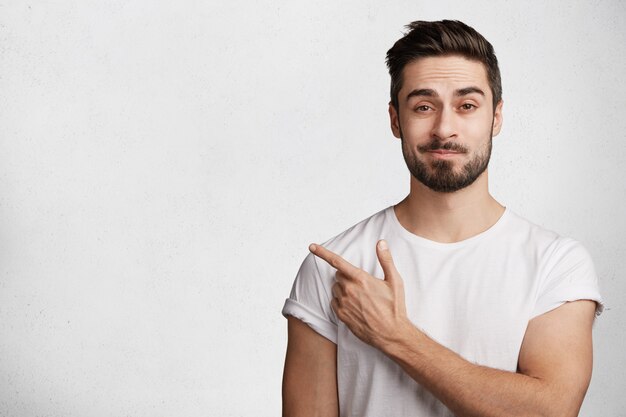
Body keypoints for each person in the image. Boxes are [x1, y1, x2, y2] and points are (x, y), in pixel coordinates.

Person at [281, 20, 603, 417]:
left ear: (496, 117)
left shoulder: (556, 263)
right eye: (423, 107)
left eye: (466, 105)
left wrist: (396, 336)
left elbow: (550, 411)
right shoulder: (334, 267)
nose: (444, 128)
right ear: (396, 120)